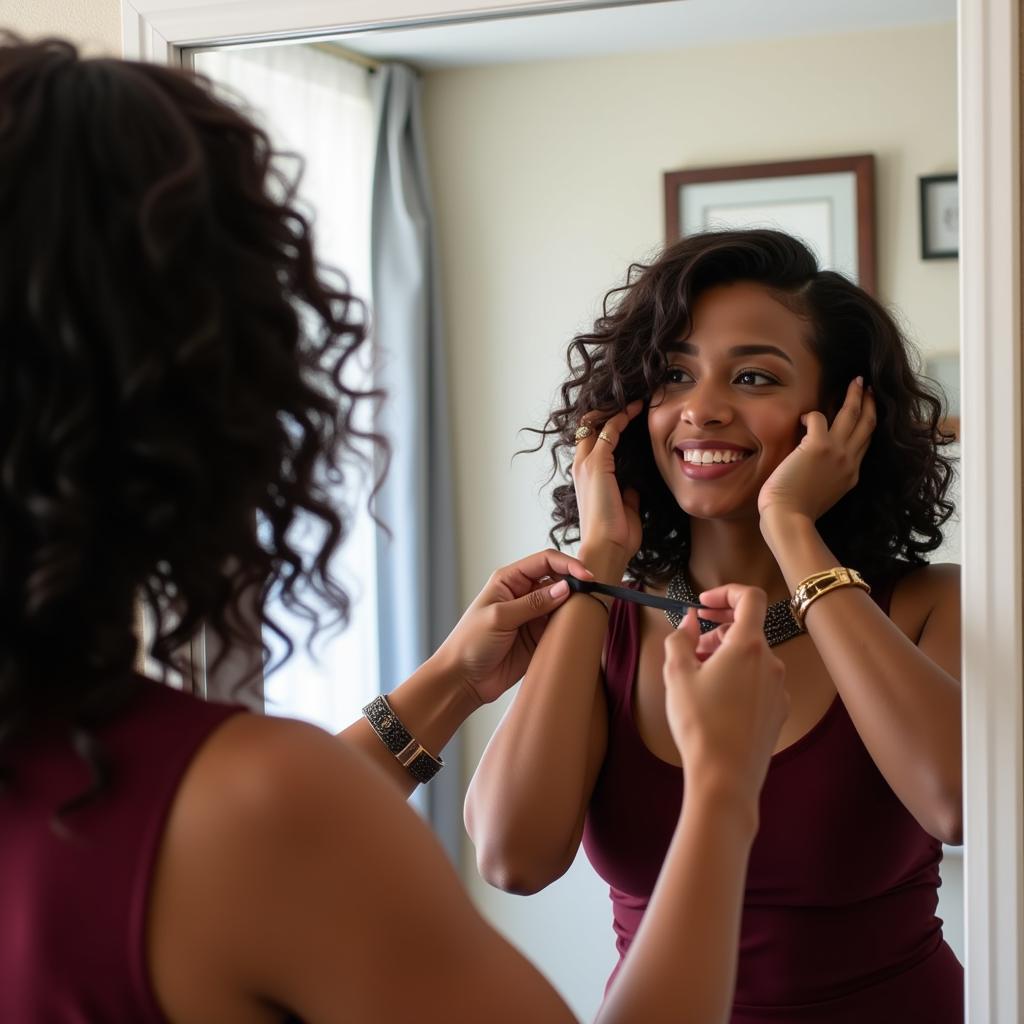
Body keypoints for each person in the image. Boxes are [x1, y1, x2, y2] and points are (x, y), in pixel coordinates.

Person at [0, 37, 791, 1024]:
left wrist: (452, 678)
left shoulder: (223, 801)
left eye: (752, 376)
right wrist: (722, 788)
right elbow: (464, 846)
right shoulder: (254, 804)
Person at [466, 228, 964, 1022]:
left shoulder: (925, 604)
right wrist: (596, 559)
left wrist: (791, 526)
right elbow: (511, 856)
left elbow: (958, 802)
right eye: (673, 374)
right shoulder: (607, 621)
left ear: (838, 414)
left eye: (754, 376)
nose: (702, 408)